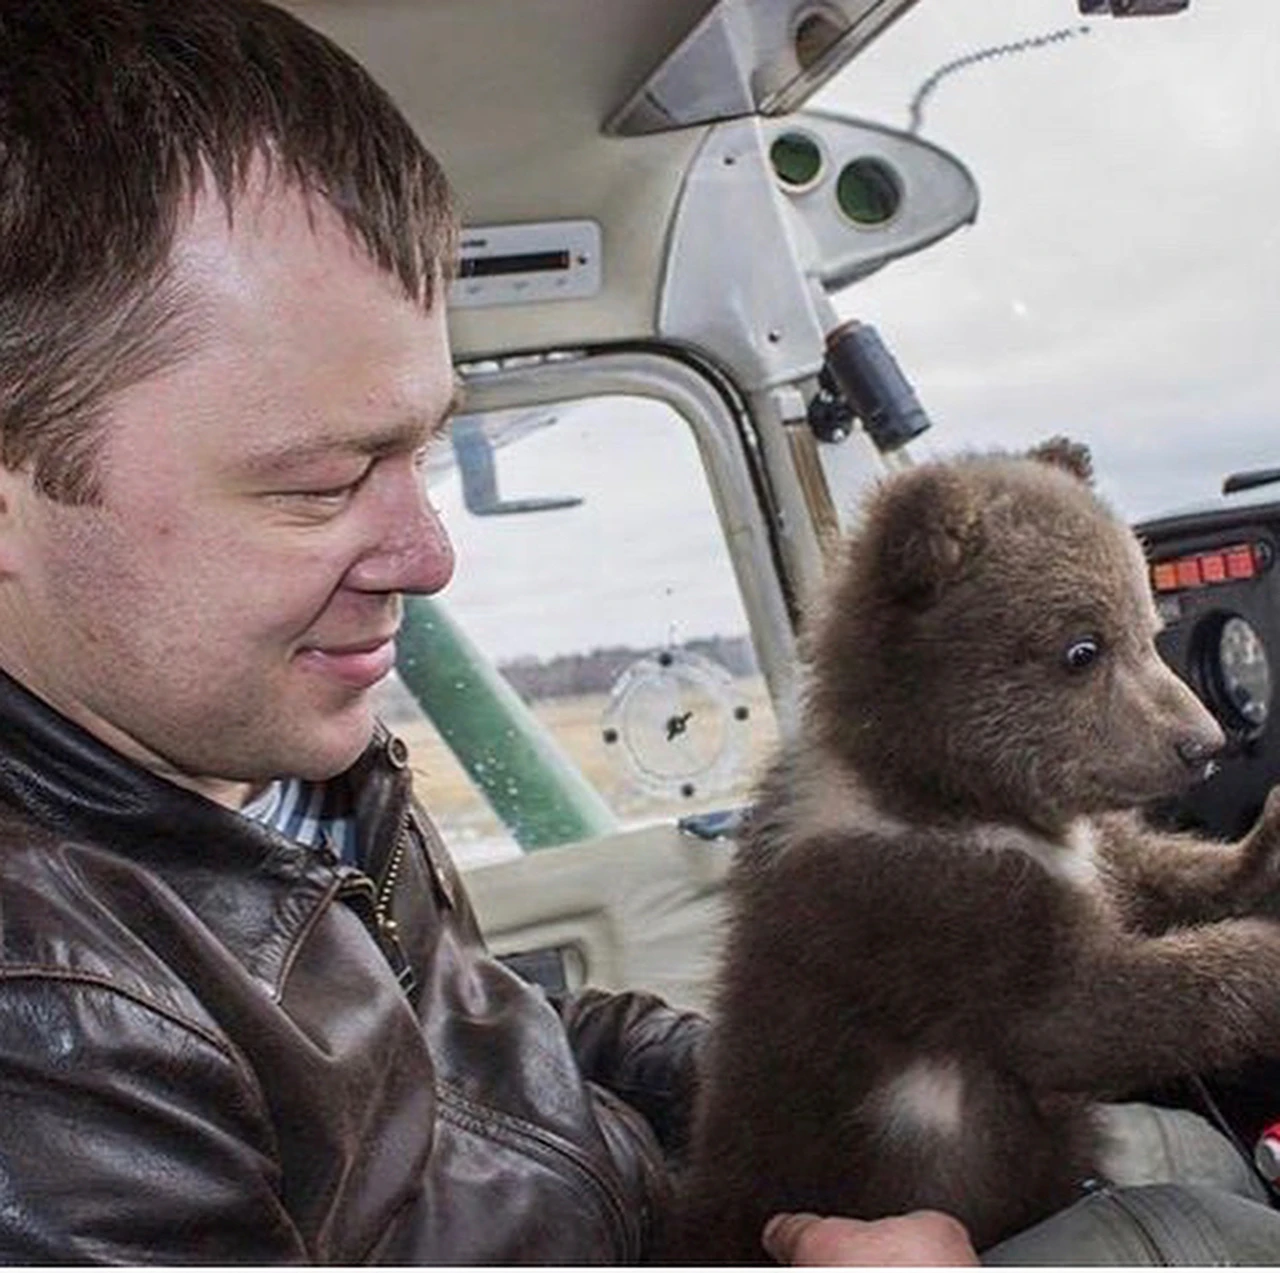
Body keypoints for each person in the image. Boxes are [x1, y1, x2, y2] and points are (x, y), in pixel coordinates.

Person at [2, 1, 1280, 1266]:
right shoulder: (52, 1040)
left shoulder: (267, 765)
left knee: (1201, 1168)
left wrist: (811, 1062)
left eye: (425, 450)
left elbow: (499, 1056)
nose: (429, 555)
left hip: (687, 1208)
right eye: (320, 482)